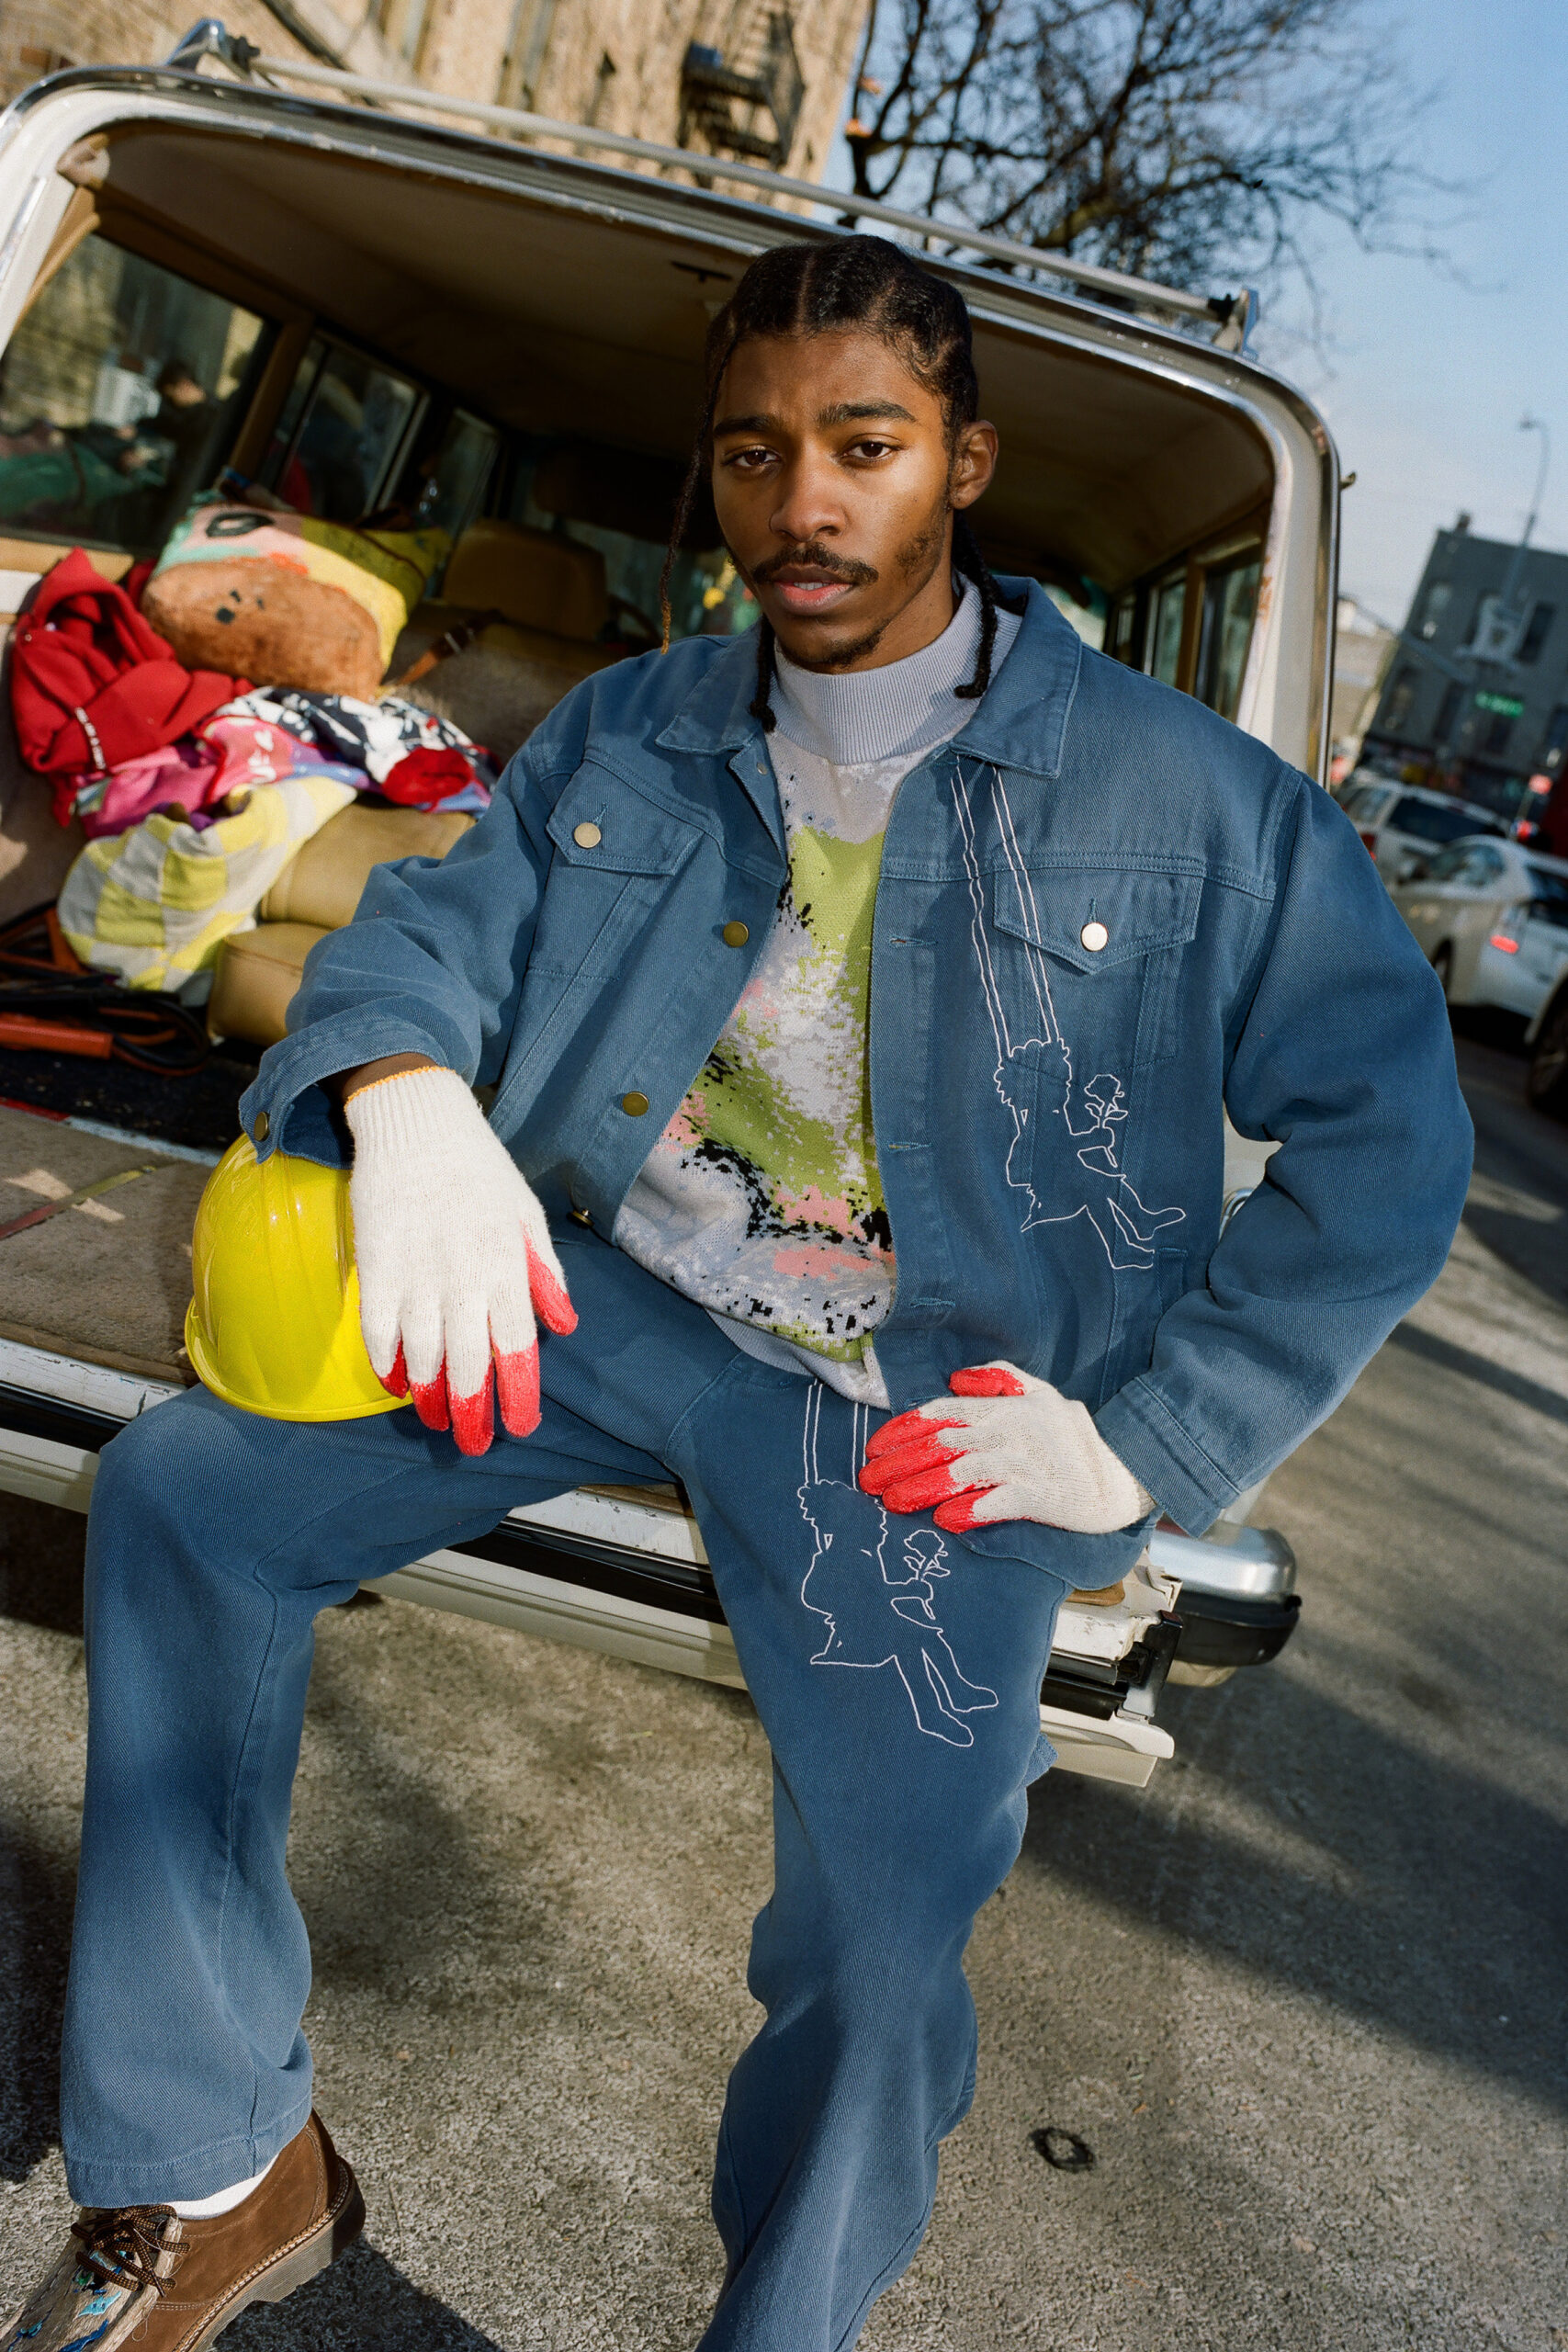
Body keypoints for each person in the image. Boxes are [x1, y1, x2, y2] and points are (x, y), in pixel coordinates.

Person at [5, 236, 1471, 2352]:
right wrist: (405, 1099)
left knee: (877, 1943)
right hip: (611, 1303)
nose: (804, 501)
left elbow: (1392, 1143)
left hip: (921, 1406)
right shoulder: (633, 723)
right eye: (756, 451)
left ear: (962, 462)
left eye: (864, 447)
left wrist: (1148, 1438)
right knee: (182, 1498)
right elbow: (424, 933)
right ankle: (219, 2162)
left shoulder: (1194, 805)